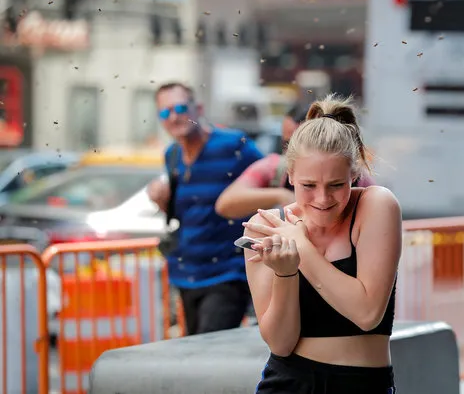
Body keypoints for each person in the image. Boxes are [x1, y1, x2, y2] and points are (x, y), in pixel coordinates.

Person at [240, 94, 401, 393]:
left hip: (362, 384)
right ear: (290, 176)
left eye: (337, 185)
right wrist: (286, 274)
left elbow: (367, 314)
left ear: (354, 175)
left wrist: (301, 245)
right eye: (309, 186)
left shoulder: (376, 204)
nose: (323, 199)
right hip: (288, 382)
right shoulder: (267, 227)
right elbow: (281, 343)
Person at [146, 81, 264, 335]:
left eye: (180, 107)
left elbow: (272, 175)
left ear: (197, 108)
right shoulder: (172, 155)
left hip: (227, 273)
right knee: (197, 355)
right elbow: (186, 214)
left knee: (211, 351)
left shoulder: (233, 144)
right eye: (165, 112)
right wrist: (161, 201)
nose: (175, 117)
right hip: (188, 272)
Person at [215, 104, 376, 220]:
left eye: (336, 184)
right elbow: (226, 204)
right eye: (287, 143)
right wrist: (281, 195)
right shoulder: (275, 167)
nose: (322, 198)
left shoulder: (362, 183)